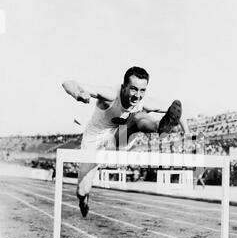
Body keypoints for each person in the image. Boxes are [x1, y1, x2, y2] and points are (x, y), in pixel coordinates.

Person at [62, 66, 189, 217]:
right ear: (124, 87)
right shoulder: (110, 95)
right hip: (94, 140)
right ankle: (83, 200)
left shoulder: (143, 101)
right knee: (82, 190)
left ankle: (159, 127)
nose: (138, 95)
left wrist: (187, 133)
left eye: (142, 90)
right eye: (134, 89)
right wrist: (79, 94)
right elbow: (68, 83)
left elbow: (176, 111)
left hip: (118, 137)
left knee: (137, 117)